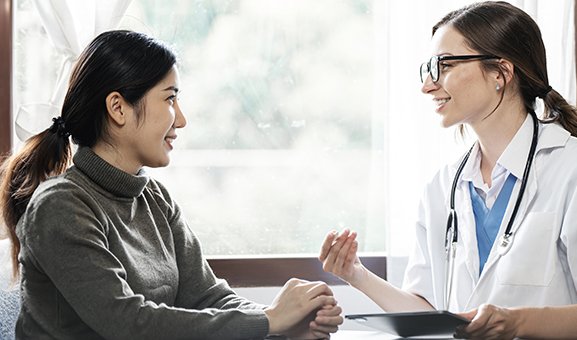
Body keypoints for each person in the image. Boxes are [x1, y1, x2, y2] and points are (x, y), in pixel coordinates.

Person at [319, 2, 577, 339]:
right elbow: (432, 315)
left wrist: (518, 324)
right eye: (428, 69)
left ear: (501, 72)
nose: (428, 85)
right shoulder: (443, 187)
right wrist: (357, 274)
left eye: (445, 65)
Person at [0, 30, 343, 339]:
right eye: (169, 99)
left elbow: (208, 295)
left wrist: (287, 324)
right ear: (118, 108)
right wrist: (271, 321)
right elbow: (129, 322)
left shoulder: (155, 199)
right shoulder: (59, 206)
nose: (181, 119)